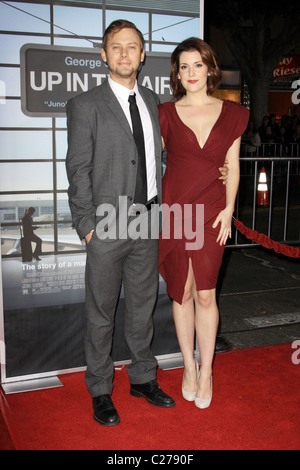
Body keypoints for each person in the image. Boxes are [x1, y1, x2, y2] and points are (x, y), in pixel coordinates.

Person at [66, 20, 176, 427]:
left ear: (143, 54)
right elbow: (77, 170)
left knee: (143, 308)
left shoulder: (152, 100)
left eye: (133, 47)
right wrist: (86, 225)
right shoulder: (86, 104)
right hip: (107, 226)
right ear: (104, 54)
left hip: (148, 220)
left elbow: (160, 158)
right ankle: (99, 388)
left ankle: (143, 378)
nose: (125, 54)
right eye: (117, 47)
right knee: (101, 311)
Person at [158, 38, 249, 409]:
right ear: (176, 73)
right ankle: (188, 368)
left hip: (213, 211)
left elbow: (235, 163)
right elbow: (150, 163)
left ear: (210, 68)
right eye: (184, 67)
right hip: (177, 211)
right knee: (182, 290)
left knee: (206, 293)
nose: (191, 73)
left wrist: (229, 209)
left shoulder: (232, 113)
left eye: (197, 65)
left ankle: (207, 369)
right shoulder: (164, 113)